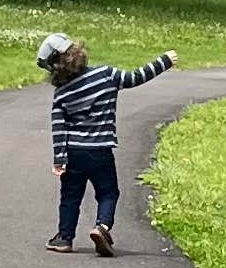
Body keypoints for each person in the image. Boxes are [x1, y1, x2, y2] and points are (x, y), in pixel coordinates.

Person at [36, 34, 178, 256]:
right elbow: (135, 77)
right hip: (101, 151)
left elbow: (59, 128)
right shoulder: (106, 75)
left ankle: (64, 238)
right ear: (77, 51)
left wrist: (59, 159)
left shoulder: (61, 93)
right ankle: (102, 227)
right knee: (108, 193)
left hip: (74, 153)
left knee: (71, 196)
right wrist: (164, 62)